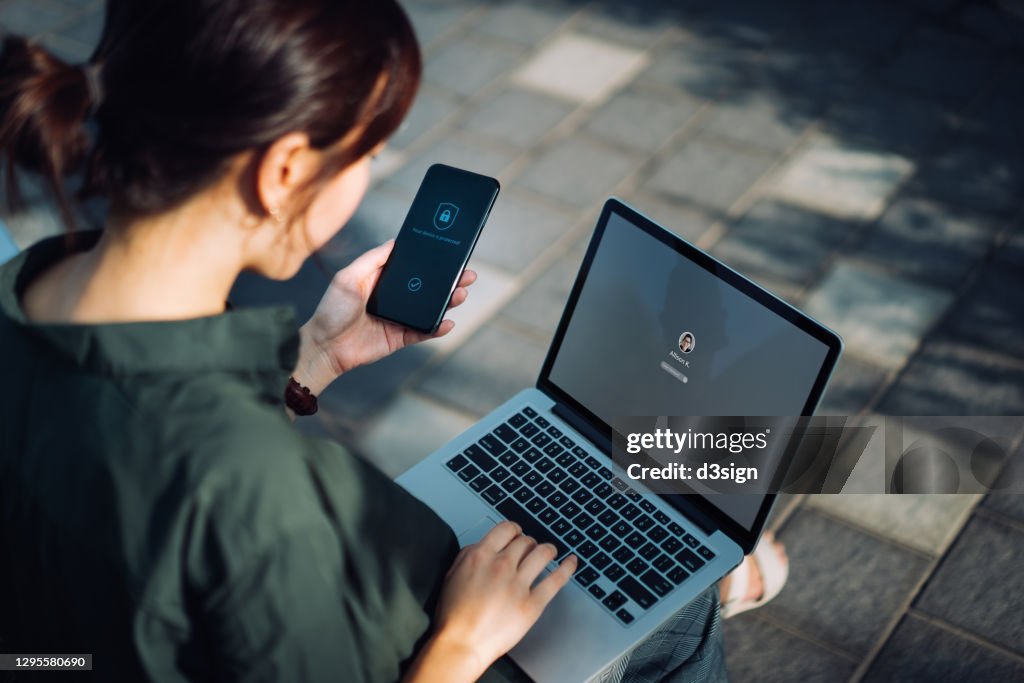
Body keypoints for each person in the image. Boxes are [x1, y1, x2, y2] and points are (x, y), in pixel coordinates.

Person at [0, 1, 787, 681]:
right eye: (368, 153)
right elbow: (215, 488)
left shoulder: (26, 290)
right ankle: (712, 589)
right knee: (681, 617)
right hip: (427, 641)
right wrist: (462, 638)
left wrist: (317, 358)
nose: (370, 175)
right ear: (282, 173)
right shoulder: (254, 489)